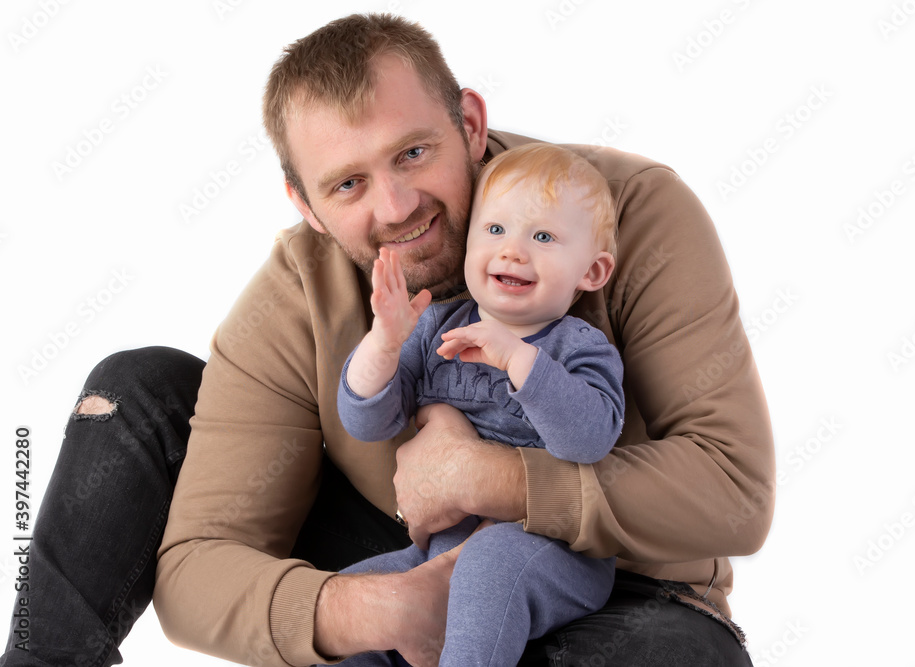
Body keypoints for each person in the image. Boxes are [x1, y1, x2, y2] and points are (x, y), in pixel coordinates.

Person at [1, 12, 774, 667]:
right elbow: (197, 568)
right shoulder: (298, 290)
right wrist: (377, 608)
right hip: (413, 561)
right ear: (305, 204)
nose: (398, 205)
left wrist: (490, 477)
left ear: (469, 125)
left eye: (413, 153)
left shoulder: (623, 214)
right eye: (348, 183)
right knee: (140, 388)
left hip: (621, 589)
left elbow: (735, 495)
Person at [336, 142, 624, 666]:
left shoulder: (578, 346)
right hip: (438, 552)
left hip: (552, 552)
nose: (513, 250)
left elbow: (590, 438)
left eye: (543, 236)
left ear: (593, 272)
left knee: (491, 563)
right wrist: (384, 341)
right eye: (495, 230)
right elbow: (367, 421)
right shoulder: (438, 327)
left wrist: (520, 359)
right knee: (353, 599)